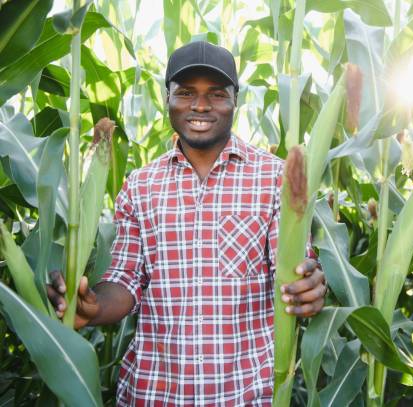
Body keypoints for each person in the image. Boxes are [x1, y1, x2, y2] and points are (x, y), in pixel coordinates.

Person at [47, 41, 326, 406]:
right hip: (153, 393)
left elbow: (293, 275)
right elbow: (126, 280)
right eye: (186, 93)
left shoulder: (275, 179)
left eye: (216, 94)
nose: (200, 105)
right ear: (167, 98)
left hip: (244, 395)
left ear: (235, 100)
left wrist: (310, 284)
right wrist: (92, 306)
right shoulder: (140, 185)